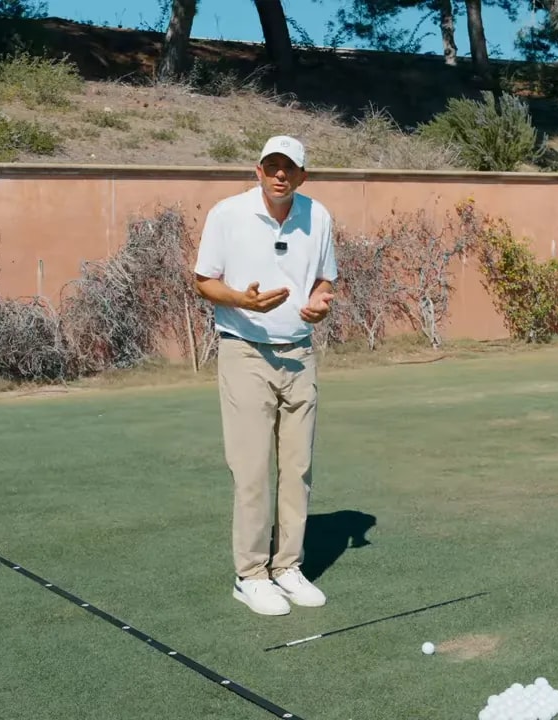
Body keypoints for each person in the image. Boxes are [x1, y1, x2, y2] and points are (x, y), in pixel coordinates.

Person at [192, 135, 339, 616]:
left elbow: (323, 278)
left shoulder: (318, 216)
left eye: (288, 168)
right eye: (270, 166)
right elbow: (203, 280)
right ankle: (250, 575)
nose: (279, 174)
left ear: (302, 176)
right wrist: (242, 300)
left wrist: (319, 302)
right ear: (257, 171)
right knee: (252, 469)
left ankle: (288, 566)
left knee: (297, 468)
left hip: (299, 353)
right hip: (245, 353)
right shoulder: (227, 214)